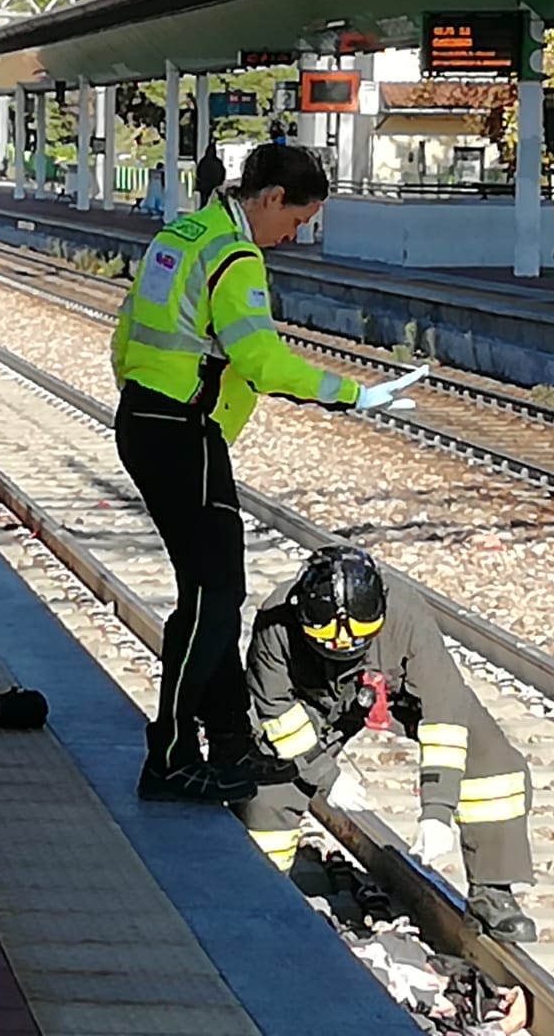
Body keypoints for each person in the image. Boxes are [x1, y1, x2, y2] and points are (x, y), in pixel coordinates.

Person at [111, 143, 429, 803]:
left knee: (211, 595)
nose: (294, 236)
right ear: (272, 198)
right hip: (182, 433)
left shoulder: (185, 233)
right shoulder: (234, 253)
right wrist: (353, 395)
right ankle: (169, 756)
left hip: (148, 423)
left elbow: (127, 337)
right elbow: (263, 359)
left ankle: (230, 743)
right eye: (297, 220)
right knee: (213, 599)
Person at [236, 546, 537, 943]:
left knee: (492, 764)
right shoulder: (275, 624)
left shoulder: (407, 616)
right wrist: (326, 776)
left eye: (358, 634)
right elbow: (276, 710)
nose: (343, 643)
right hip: (315, 702)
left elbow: (444, 712)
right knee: (269, 789)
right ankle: (261, 890)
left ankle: (493, 892)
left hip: (393, 692)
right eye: (327, 635)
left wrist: (437, 810)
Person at [194, 135, 226, 208]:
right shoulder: (218, 162)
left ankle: (202, 208)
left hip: (204, 184)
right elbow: (222, 172)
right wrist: (219, 182)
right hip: (213, 184)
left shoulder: (203, 161)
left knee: (204, 199)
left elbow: (198, 172)